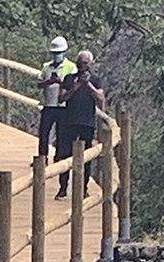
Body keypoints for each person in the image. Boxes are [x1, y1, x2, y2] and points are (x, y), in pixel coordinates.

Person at [57, 50, 106, 198]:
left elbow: (100, 99)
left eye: (85, 63)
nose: (82, 66)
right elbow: (61, 98)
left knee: (86, 158)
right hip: (69, 122)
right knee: (65, 155)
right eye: (79, 62)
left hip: (87, 123)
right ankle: (63, 188)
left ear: (89, 64)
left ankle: (83, 188)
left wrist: (88, 85)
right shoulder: (69, 78)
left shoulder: (97, 80)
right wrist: (76, 86)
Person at [37, 37, 76, 163]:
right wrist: (48, 82)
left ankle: (59, 157)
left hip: (63, 106)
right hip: (48, 105)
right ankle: (42, 158)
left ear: (64, 52)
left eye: (59, 53)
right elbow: (39, 83)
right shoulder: (46, 67)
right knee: (43, 133)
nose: (57, 55)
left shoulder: (71, 67)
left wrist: (60, 82)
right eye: (55, 53)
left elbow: (73, 86)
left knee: (61, 134)